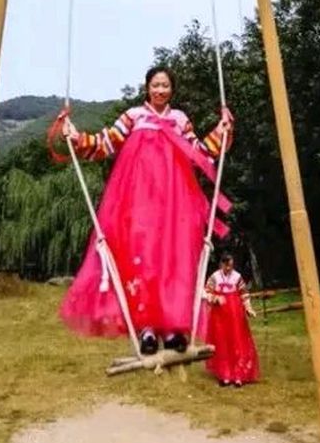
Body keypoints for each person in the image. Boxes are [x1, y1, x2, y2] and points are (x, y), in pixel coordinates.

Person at [59, 66, 233, 355]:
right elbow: (105, 143)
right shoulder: (134, 117)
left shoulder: (179, 120)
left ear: (172, 90)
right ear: (147, 88)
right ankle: (147, 329)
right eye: (156, 85)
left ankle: (176, 328)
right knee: (144, 260)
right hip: (138, 202)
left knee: (173, 260)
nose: (160, 90)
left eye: (165, 85)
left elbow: (199, 152)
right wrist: (77, 137)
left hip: (174, 203)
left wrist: (221, 131)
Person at [201, 250, 260, 387]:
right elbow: (206, 292)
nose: (229, 268)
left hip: (235, 315)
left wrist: (248, 308)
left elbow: (244, 293)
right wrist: (215, 298)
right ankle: (225, 374)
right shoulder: (215, 277)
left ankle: (239, 374)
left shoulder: (237, 277)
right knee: (222, 343)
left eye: (231, 266)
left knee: (237, 341)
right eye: (227, 265)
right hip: (219, 316)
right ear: (222, 264)